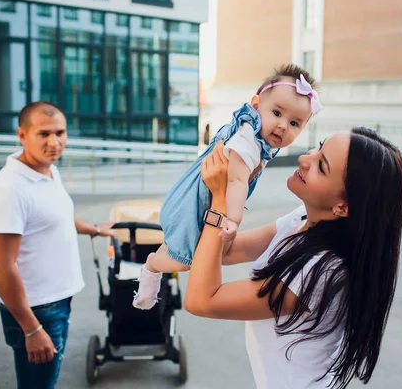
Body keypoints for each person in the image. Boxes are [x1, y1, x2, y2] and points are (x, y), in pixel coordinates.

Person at [184, 128, 402, 389]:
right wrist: (236, 186)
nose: (305, 158)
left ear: (342, 206)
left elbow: (201, 301)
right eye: (318, 147)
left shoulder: (323, 270)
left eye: (321, 166)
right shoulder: (305, 217)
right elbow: (231, 250)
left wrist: (220, 203)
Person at [133, 64, 322, 309]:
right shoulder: (248, 143)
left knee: (180, 245)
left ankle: (153, 268)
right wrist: (232, 219)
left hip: (192, 200)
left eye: (295, 123)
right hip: (196, 204)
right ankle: (151, 266)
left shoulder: (254, 133)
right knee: (182, 261)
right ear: (256, 105)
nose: (283, 126)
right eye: (276, 113)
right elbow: (235, 181)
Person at [0, 101, 115, 389]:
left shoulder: (48, 171)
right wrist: (31, 330)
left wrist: (93, 230)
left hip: (57, 302)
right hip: (37, 311)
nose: (54, 142)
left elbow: (58, 216)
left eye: (60, 133)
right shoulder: (8, 190)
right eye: (43, 134)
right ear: (22, 135)